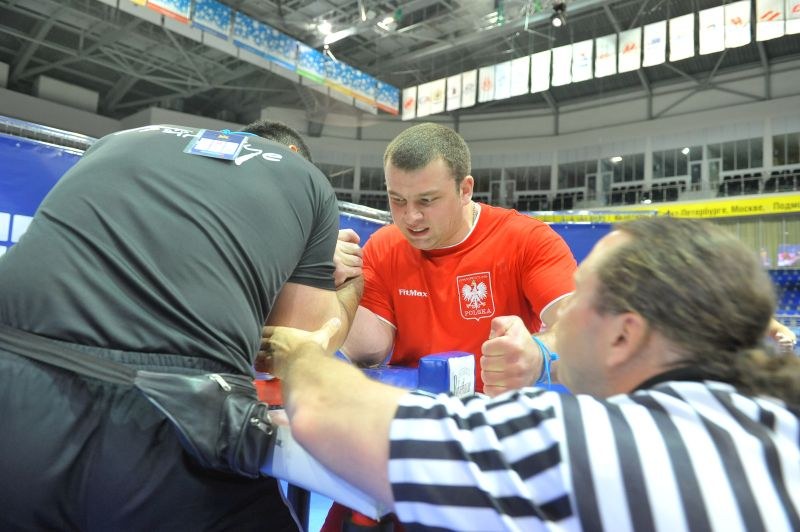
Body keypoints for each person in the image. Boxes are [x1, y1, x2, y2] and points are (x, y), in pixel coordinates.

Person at [265, 217, 800, 531]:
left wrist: (298, 354)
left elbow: (332, 415)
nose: (559, 313)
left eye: (580, 292)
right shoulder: (779, 420)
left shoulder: (582, 441)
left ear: (624, 336)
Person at [0, 121, 360, 530]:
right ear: (295, 157)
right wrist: (346, 281)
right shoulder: (305, 179)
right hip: (173, 407)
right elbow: (291, 350)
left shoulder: (121, 139)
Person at [325, 122, 576, 530]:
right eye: (397, 199)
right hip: (406, 439)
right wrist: (336, 286)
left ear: (465, 189)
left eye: (427, 200)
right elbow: (367, 349)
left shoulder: (527, 240)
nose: (411, 217)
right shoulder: (386, 246)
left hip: (495, 446)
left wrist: (540, 352)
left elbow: (577, 320)